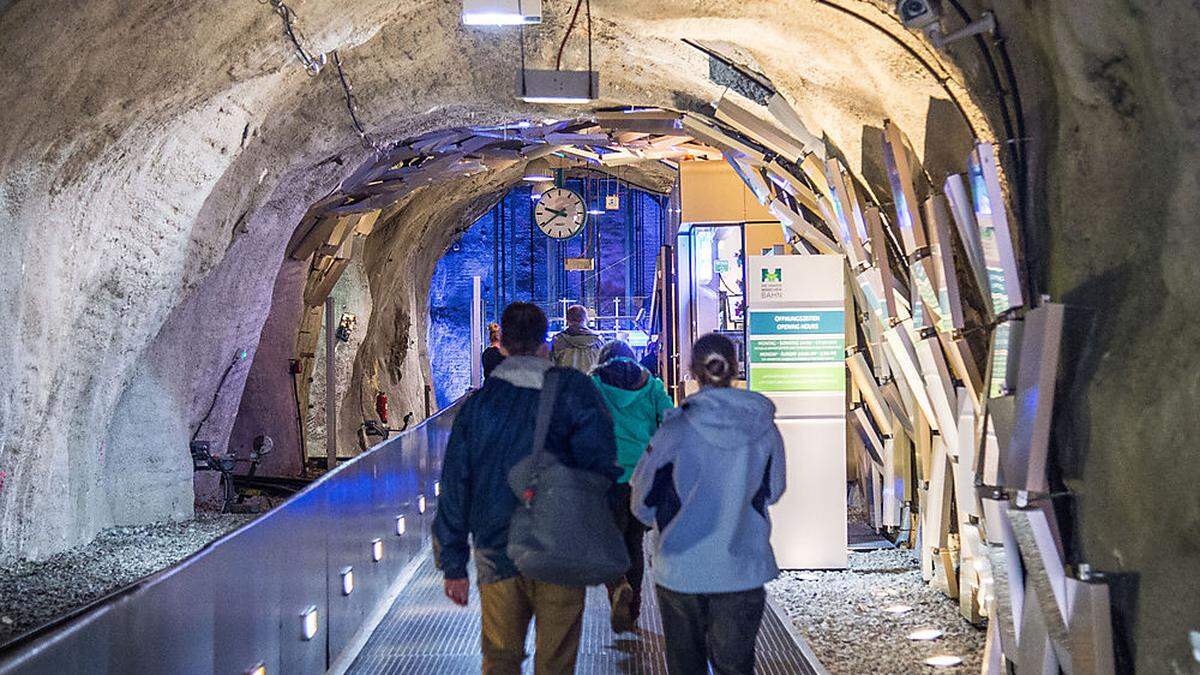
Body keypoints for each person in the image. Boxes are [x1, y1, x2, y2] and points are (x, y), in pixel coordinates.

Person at [433, 302, 621, 675]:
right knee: (556, 661)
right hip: (562, 545)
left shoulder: (479, 406)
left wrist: (453, 563)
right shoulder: (576, 391)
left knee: (500, 658)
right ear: (545, 342)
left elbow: (455, 483)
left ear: (501, 343)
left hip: (495, 548)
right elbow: (601, 465)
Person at [630, 333, 786, 675]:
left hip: (681, 569)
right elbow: (773, 490)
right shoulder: (763, 426)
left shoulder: (675, 430)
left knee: (686, 666)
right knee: (736, 665)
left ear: (693, 371)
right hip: (742, 566)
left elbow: (642, 500)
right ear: (735, 367)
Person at [590, 340, 674, 633]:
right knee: (634, 542)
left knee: (606, 542)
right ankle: (634, 604)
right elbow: (670, 424)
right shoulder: (652, 386)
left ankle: (617, 587)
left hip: (605, 477)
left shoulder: (593, 385)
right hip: (642, 477)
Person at [550, 304, 603, 373]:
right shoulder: (598, 341)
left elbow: (550, 368)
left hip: (566, 382)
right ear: (586, 319)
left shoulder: (557, 341)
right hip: (591, 382)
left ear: (567, 319)